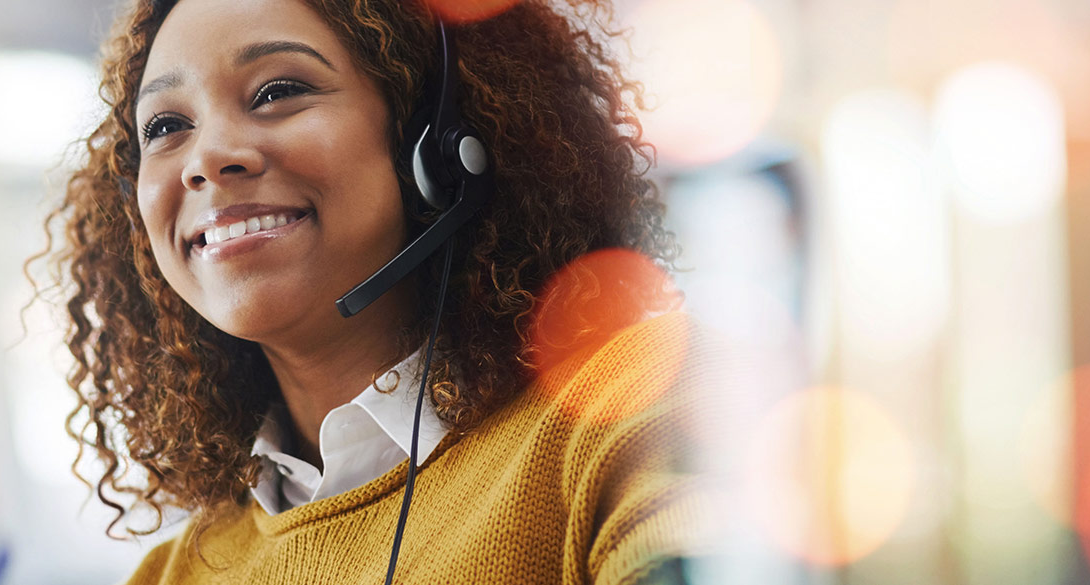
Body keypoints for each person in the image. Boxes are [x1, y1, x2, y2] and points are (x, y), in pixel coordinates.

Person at [36, 0, 702, 582]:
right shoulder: (171, 574)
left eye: (276, 91)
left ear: (438, 142)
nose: (207, 158)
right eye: (164, 127)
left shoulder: (634, 403)